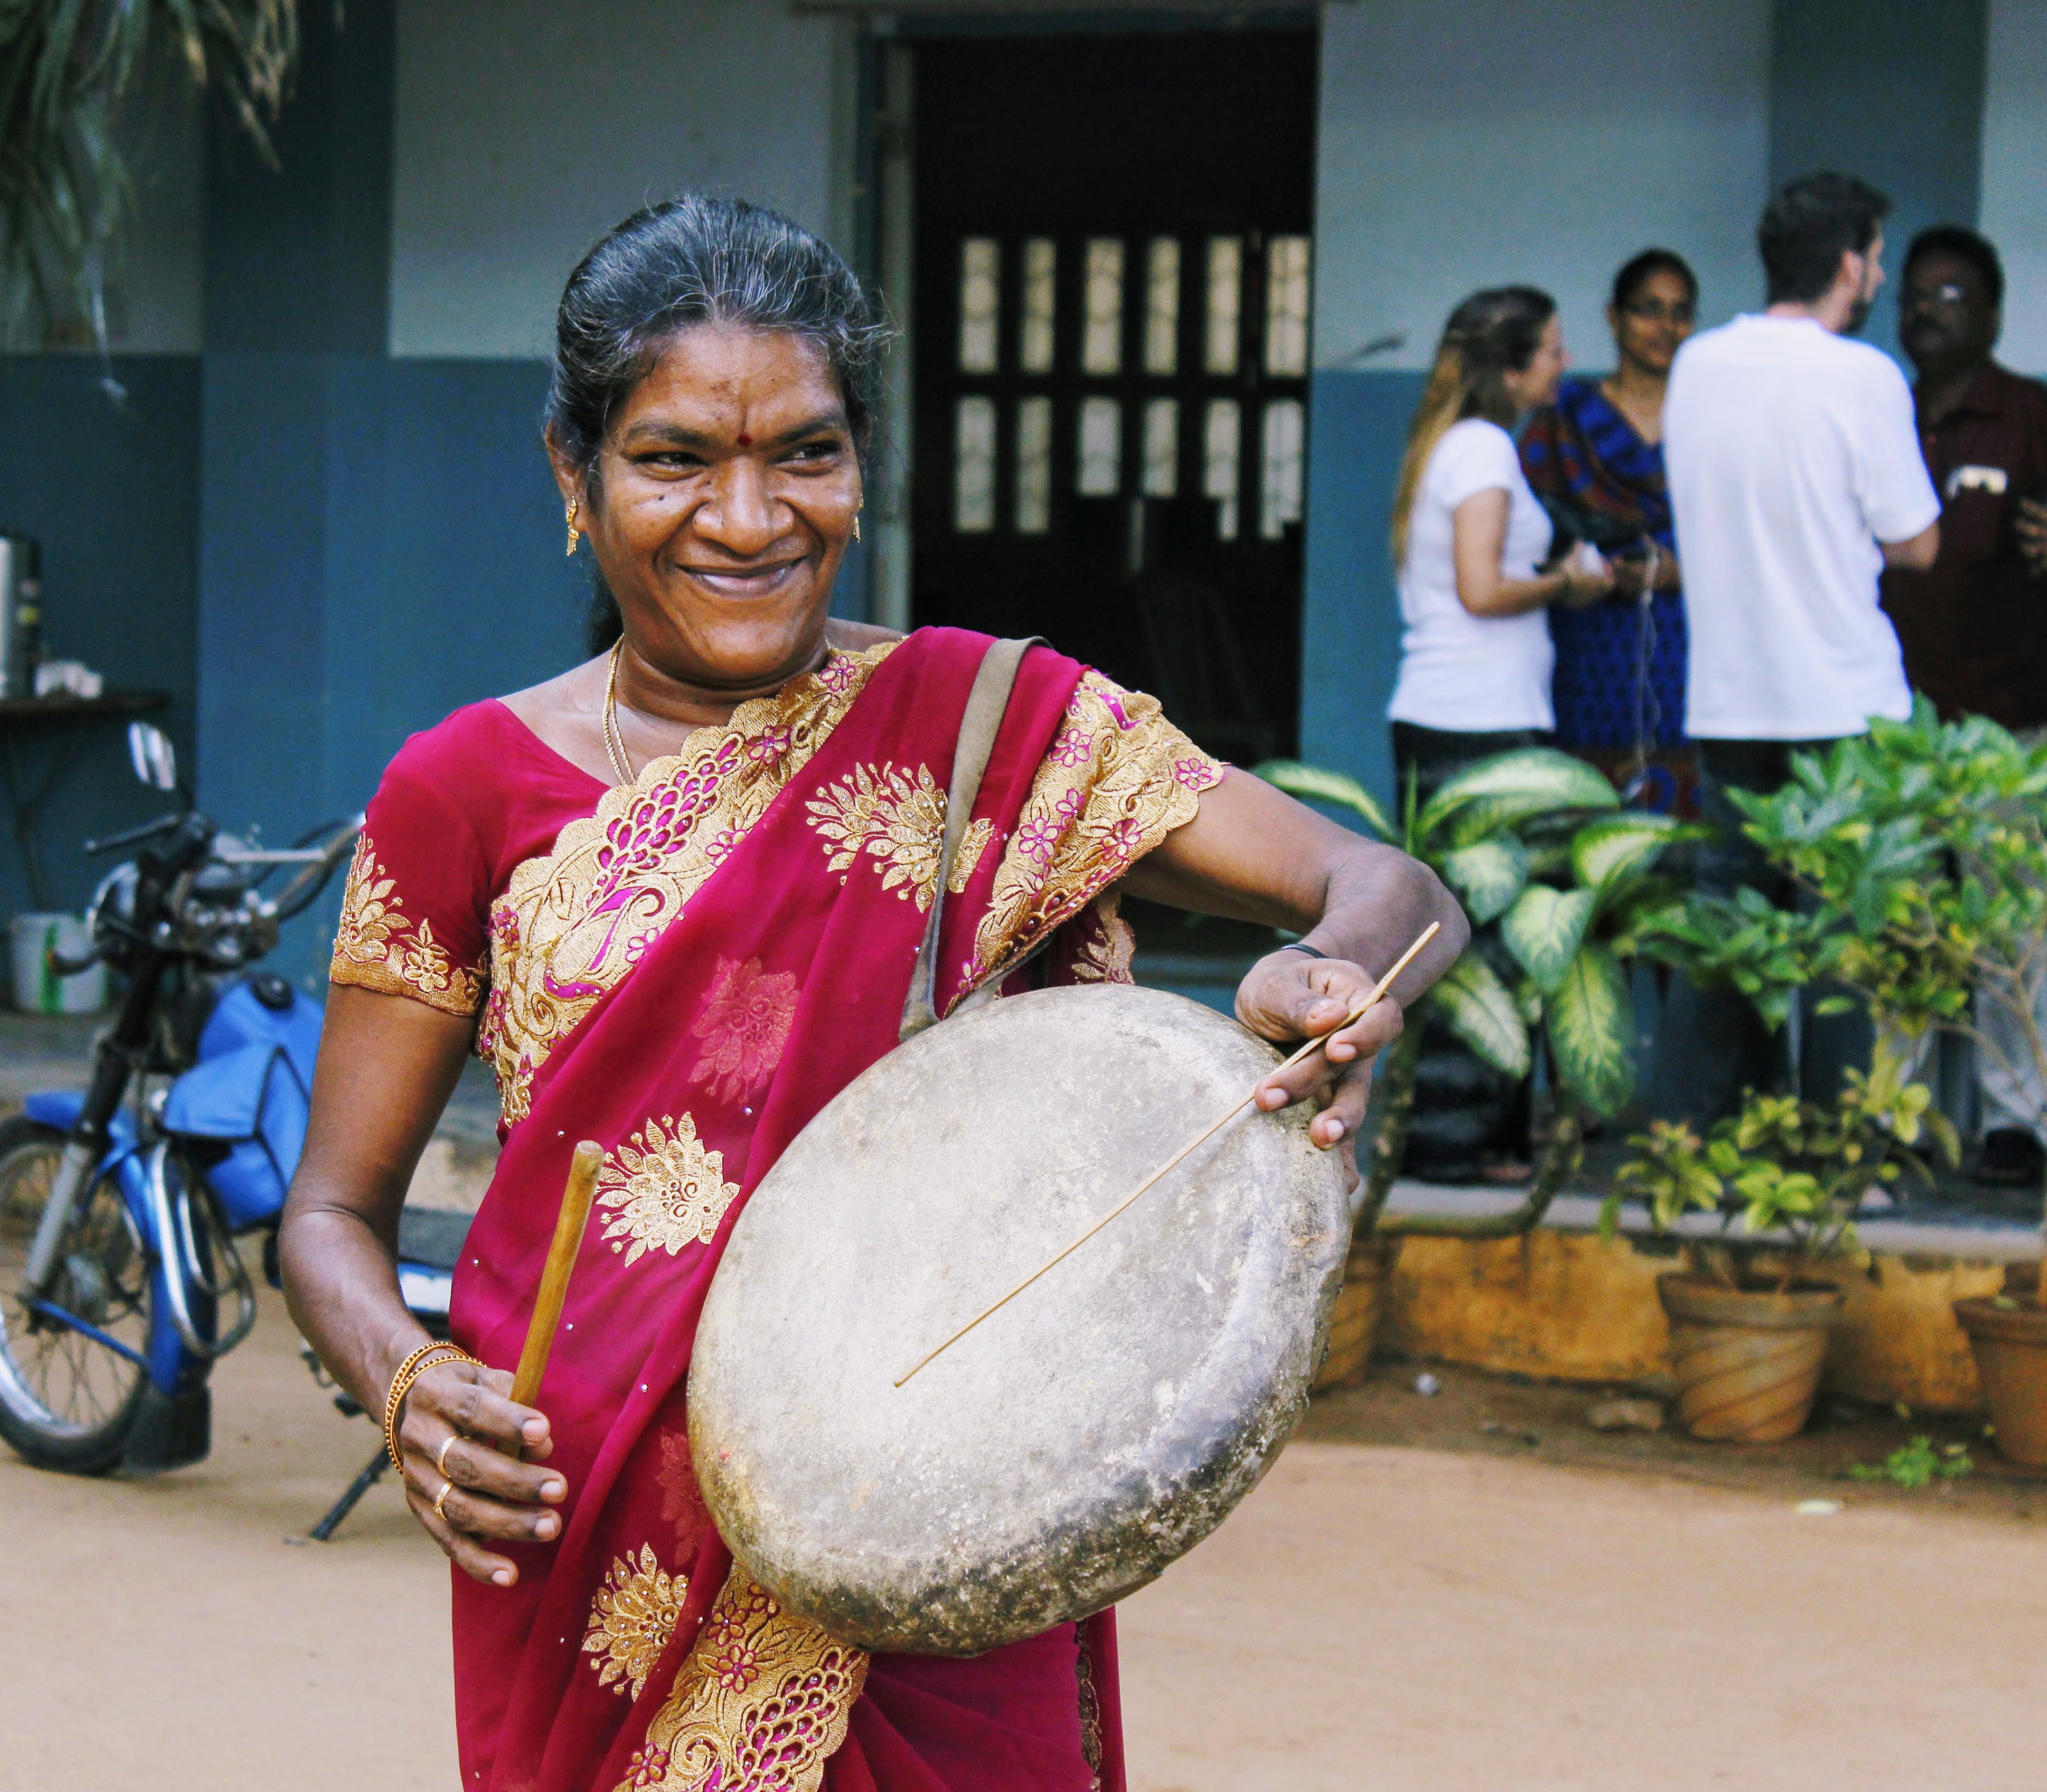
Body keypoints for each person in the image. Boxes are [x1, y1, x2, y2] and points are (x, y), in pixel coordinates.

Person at [277, 196, 1465, 1792]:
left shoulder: (990, 723)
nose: (748, 516)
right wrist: (401, 1378)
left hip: (935, 1514)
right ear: (573, 475)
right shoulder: (462, 792)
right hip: (588, 1539)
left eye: (806, 454)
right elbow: (327, 1215)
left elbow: (1386, 890)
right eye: (675, 456)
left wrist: (1337, 978)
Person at [1658, 171, 1941, 1123]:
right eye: (1876, 258)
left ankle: (1695, 1143)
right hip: (1843, 700)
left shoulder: (1695, 364)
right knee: (1840, 932)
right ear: (1851, 263)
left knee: (1726, 922)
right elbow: (1916, 540)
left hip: (1730, 696)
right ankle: (1831, 1155)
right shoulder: (1863, 377)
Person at [1386, 285, 1622, 1178]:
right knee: (1488, 941)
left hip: (1451, 716)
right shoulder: (1482, 448)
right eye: (1553, 350)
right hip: (1477, 727)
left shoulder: (1448, 446)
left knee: (1467, 933)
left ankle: (1464, 1136)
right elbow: (1481, 591)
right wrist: (1566, 583)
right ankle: (1455, 1144)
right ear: (1514, 363)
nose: (1565, 364)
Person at [1883, 223, 2047, 1183]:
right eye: (1912, 291)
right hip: (1895, 732)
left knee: (2007, 927)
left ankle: (2011, 1123)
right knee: (1897, 927)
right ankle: (1891, 1124)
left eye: (1946, 294)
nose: (1921, 309)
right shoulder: (1881, 412)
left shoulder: (2028, 415)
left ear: (1987, 314)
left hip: (2006, 724)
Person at [1520, 249, 1698, 812]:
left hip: (1688, 643)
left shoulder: (1713, 417)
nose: (1665, 327)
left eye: (1680, 312)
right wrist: (1582, 573)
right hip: (1585, 643)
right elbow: (1521, 542)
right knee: (1582, 823)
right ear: (1612, 317)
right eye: (1648, 309)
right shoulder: (1563, 420)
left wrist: (1680, 572)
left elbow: (1752, 538)